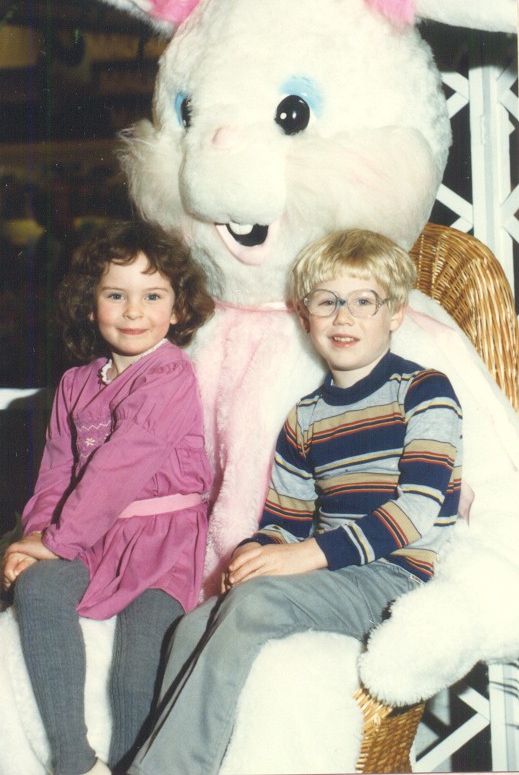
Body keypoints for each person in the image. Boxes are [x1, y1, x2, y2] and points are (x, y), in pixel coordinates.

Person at [128, 228, 463, 775]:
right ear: (305, 316)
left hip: (395, 579)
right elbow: (284, 520)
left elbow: (416, 511)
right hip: (331, 576)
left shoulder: (424, 391)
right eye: (327, 302)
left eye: (363, 301)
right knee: (190, 626)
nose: (343, 317)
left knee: (256, 605)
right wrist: (255, 552)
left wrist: (303, 556)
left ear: (396, 313)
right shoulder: (305, 417)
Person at [2, 219, 215, 775]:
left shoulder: (169, 375)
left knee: (136, 667)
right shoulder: (75, 383)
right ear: (90, 303)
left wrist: (59, 540)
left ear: (178, 309)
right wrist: (36, 538)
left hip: (162, 542)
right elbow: (57, 471)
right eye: (116, 295)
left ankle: (129, 766)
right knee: (38, 587)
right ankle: (73, 758)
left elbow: (119, 469)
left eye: (153, 296)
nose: (133, 311)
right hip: (90, 535)